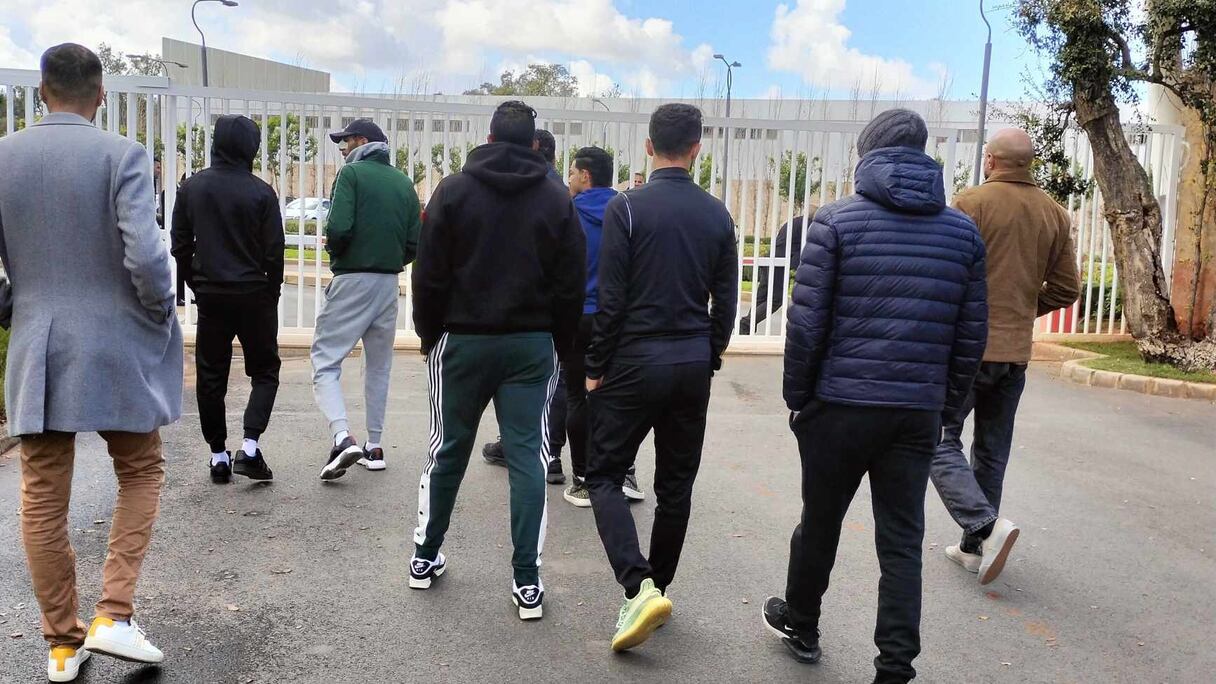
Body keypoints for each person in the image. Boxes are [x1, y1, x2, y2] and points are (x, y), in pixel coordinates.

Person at [762, 109, 987, 684]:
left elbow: (806, 325)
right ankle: (895, 667)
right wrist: (944, 408)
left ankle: (802, 624)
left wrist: (798, 399)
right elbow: (970, 336)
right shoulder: (962, 233)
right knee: (902, 541)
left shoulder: (836, 222)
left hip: (838, 406)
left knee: (820, 521)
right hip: (915, 412)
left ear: (867, 154)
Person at [0, 43, 183, 681]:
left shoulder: (3, 157)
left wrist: (15, 306)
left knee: (42, 495)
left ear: (42, 91)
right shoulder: (121, 156)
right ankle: (114, 614)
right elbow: (146, 256)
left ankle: (61, 644)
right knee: (141, 468)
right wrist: (158, 310)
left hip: (38, 345)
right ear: (100, 95)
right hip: (115, 342)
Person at [411, 101, 585, 621]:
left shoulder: (453, 190)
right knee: (529, 456)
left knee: (448, 448)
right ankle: (527, 582)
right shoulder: (556, 197)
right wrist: (559, 342)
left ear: (488, 137)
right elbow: (571, 282)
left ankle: (424, 557)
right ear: (534, 144)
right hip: (531, 344)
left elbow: (428, 272)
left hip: (462, 340)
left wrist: (429, 335)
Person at [585, 103, 738, 652]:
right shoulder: (718, 215)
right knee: (676, 487)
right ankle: (659, 590)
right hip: (691, 361)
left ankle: (639, 586)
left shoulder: (626, 208)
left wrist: (596, 366)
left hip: (634, 360)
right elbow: (726, 303)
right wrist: (709, 353)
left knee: (604, 474)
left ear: (648, 147)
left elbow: (612, 298)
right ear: (697, 149)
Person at [930, 127, 1079, 585]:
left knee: (936, 438)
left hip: (967, 351)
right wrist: (1021, 310)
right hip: (1015, 355)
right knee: (992, 454)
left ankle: (984, 525)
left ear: (991, 161)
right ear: (1028, 164)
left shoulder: (970, 203)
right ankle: (974, 549)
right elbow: (1067, 289)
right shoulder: (1055, 214)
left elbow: (946, 272)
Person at [172, 114, 285, 484]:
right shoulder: (261, 192)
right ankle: (250, 447)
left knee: (211, 375)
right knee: (265, 371)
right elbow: (274, 251)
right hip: (254, 294)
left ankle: (218, 455)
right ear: (251, 147)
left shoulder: (192, 188)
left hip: (212, 296)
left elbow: (180, 245)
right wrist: (271, 292)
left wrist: (197, 283)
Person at [313, 118, 422, 479]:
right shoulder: (403, 182)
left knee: (325, 360)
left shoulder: (352, 174)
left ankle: (342, 437)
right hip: (388, 282)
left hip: (352, 277)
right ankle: (374, 446)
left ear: (361, 141)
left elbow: (338, 227)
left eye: (344, 142)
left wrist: (337, 250)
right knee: (378, 365)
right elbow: (414, 242)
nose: (342, 149)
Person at [481, 128, 574, 487]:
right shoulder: (558, 191)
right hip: (542, 315)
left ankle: (536, 450)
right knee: (548, 385)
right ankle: (544, 451)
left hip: (510, 314)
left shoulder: (531, 188)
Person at [559, 145, 636, 508]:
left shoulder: (569, 213)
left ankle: (583, 479)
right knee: (617, 397)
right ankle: (622, 474)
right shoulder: (627, 211)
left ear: (585, 175)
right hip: (618, 317)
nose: (570, 178)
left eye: (573, 172)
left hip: (579, 316)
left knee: (578, 395)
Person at [739, 215, 804, 334]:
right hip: (779, 263)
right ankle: (746, 323)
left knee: (762, 297)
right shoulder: (808, 225)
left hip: (770, 258)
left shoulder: (794, 221)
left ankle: (746, 328)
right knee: (776, 300)